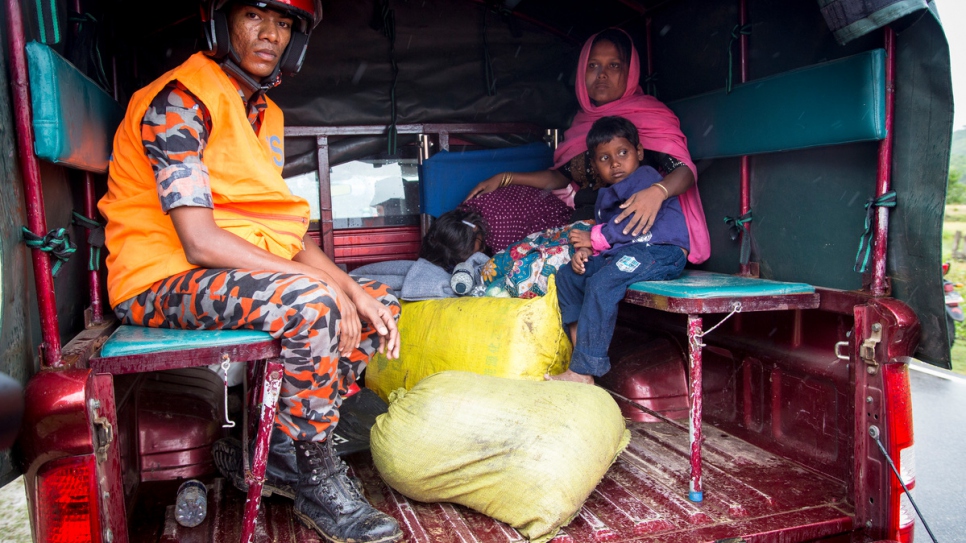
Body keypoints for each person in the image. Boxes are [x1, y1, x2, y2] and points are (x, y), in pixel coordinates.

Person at [97, 1, 403, 542]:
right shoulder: (180, 101)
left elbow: (283, 236)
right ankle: (315, 476)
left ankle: (282, 452)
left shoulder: (265, 113)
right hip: (158, 280)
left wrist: (352, 288)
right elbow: (200, 240)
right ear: (221, 22)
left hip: (223, 274)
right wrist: (320, 287)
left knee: (378, 302)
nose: (271, 35)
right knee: (312, 304)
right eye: (255, 17)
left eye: (284, 24)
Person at [463, 27, 709, 266]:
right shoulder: (583, 123)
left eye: (614, 65)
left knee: (533, 269)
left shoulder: (650, 116)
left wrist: (658, 192)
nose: (602, 74)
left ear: (630, 72)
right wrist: (505, 178)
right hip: (580, 227)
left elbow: (683, 170)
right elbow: (560, 178)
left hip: (627, 233)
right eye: (593, 65)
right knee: (514, 253)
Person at [552, 116, 688, 384]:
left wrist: (593, 238)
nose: (615, 163)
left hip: (659, 251)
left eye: (623, 153)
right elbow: (611, 241)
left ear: (638, 152)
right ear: (594, 165)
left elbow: (627, 226)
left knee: (603, 283)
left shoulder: (646, 179)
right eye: (604, 158)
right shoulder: (605, 197)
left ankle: (582, 370)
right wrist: (587, 254)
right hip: (628, 254)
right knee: (568, 276)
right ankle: (582, 359)